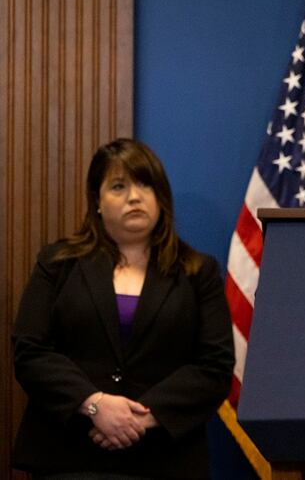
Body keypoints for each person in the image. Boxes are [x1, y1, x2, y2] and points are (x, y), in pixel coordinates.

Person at [12, 138, 235, 479]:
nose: (134, 196)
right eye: (119, 186)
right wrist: (94, 403)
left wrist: (141, 418)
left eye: (145, 184)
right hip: (68, 456)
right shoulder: (58, 263)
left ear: (160, 197)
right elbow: (30, 351)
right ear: (97, 202)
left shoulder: (198, 271)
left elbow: (214, 366)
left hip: (166, 459)